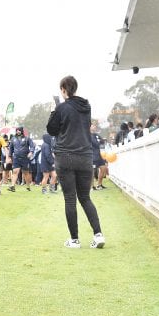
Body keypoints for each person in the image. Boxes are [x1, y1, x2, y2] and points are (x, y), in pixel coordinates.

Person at [47, 76, 106, 249]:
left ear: (64, 89)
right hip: (85, 156)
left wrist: (53, 111)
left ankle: (74, 240)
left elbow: (51, 130)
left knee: (70, 199)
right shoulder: (86, 107)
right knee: (85, 197)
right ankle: (98, 235)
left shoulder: (61, 108)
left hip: (65, 156)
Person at [7, 127, 33, 192]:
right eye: (17, 130)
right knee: (15, 171)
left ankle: (28, 186)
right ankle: (12, 186)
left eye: (19, 130)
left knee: (26, 173)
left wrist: (31, 152)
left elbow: (32, 146)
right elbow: (11, 149)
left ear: (22, 131)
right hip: (16, 158)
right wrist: (9, 157)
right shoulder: (13, 139)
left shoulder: (27, 138)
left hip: (25, 158)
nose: (18, 132)